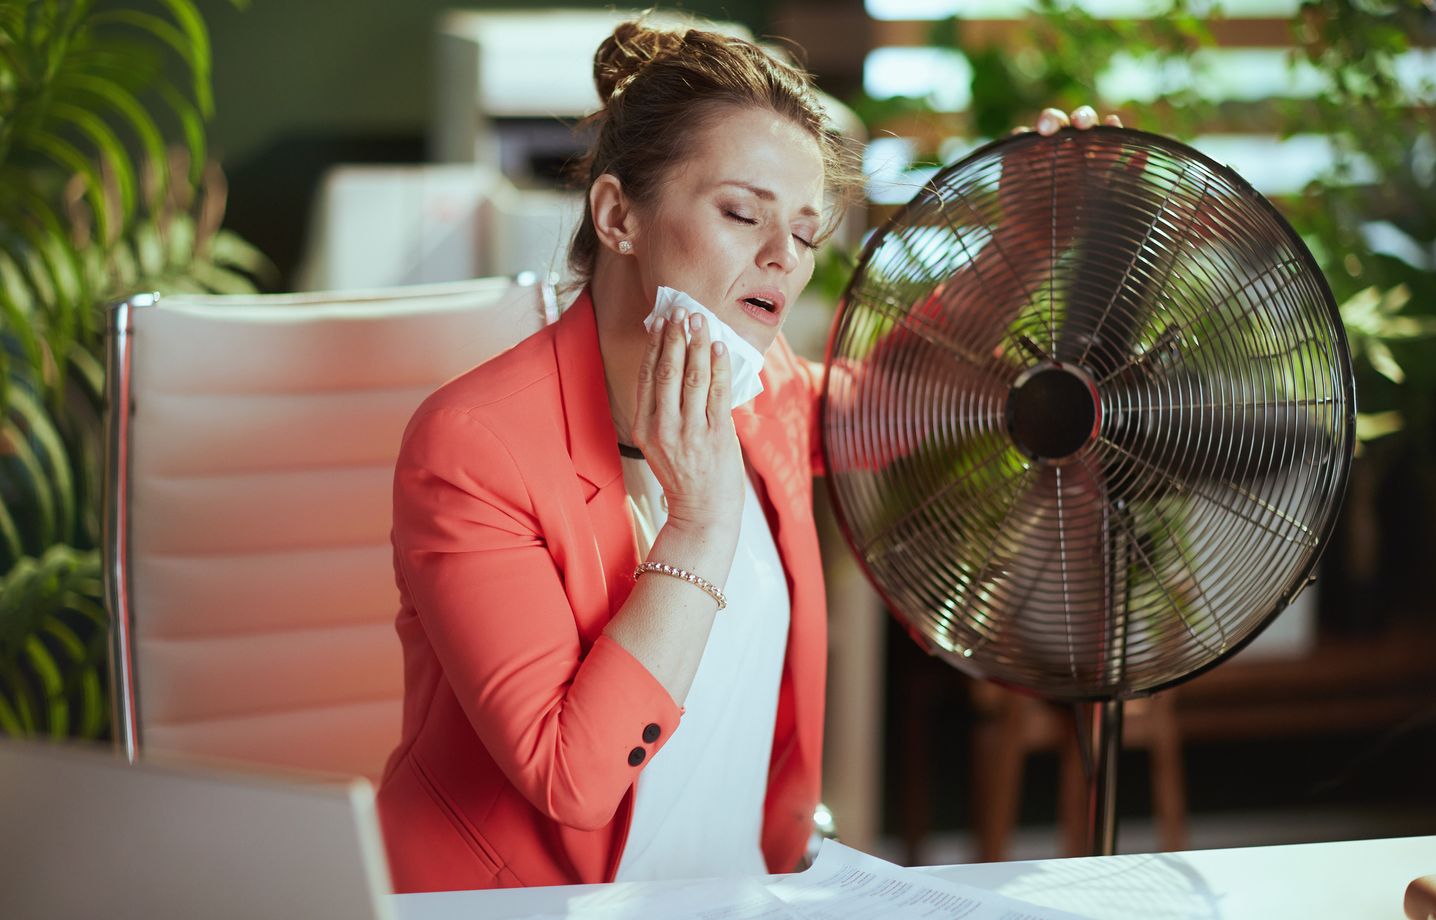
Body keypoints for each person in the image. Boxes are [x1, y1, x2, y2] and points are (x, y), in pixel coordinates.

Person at [375, 18, 1118, 893]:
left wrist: (1025, 241)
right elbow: (570, 777)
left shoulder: (755, 389)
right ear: (618, 215)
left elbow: (877, 408)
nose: (781, 258)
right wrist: (700, 524)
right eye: (741, 213)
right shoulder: (473, 449)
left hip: (731, 893)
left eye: (806, 235)